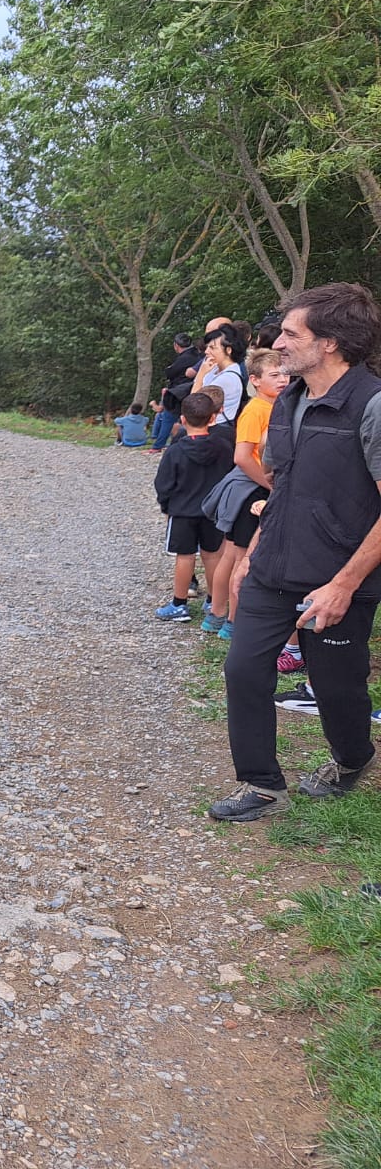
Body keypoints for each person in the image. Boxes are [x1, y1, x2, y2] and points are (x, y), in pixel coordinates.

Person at [209, 283, 381, 821]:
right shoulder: (288, 400)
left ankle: (353, 758)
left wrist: (344, 584)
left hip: (337, 580)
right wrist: (252, 555)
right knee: (243, 670)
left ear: (329, 342)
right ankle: (262, 785)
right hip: (272, 568)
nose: (277, 343)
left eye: (290, 333)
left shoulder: (372, 405)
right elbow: (282, 485)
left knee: (337, 687)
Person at [200, 349, 289, 640]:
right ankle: (230, 621)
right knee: (239, 557)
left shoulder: (275, 406)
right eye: (274, 375)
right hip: (250, 490)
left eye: (285, 373)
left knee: (230, 553)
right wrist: (269, 485)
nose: (283, 380)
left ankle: (217, 614)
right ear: (255, 380)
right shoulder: (256, 410)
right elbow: (242, 456)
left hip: (252, 487)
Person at [153, 392, 233, 622]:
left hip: (182, 512)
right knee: (213, 556)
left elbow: (164, 483)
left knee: (185, 556)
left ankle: (179, 604)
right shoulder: (224, 447)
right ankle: (213, 600)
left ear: (183, 419)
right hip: (213, 511)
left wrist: (165, 505)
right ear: (212, 418)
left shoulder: (176, 451)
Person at [149, 332, 201, 452]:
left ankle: (158, 445)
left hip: (179, 392)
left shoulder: (184, 358)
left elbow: (170, 372)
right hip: (195, 389)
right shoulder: (198, 355)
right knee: (191, 418)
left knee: (168, 416)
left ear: (176, 345)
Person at [195, 325, 249, 435]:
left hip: (217, 429)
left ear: (228, 350)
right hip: (208, 426)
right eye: (207, 347)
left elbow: (194, 404)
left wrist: (200, 374)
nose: (206, 351)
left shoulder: (228, 378)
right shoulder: (214, 368)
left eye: (212, 348)